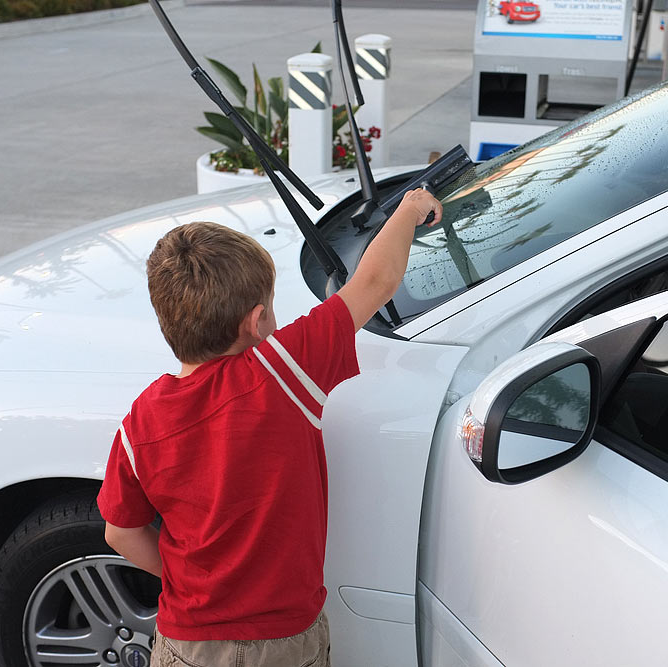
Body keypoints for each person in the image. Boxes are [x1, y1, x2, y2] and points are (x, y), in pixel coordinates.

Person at [96, 188, 442, 667]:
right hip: (281, 640)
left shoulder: (140, 422)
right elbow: (377, 281)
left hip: (187, 640)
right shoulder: (281, 371)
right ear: (257, 323)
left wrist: (182, 579)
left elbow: (121, 532)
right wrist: (410, 208)